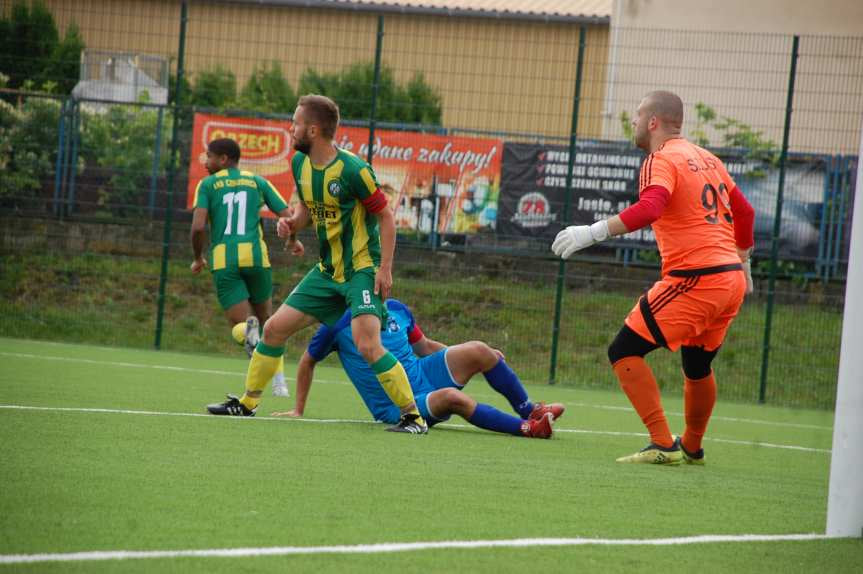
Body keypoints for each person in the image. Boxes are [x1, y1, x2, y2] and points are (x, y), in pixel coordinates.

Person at [551, 90, 755, 465]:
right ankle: (693, 446)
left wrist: (591, 232)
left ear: (653, 122)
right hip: (729, 280)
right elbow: (744, 212)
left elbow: (650, 208)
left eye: (637, 115)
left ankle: (662, 444)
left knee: (623, 351)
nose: (633, 122)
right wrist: (743, 260)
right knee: (697, 365)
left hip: (697, 277)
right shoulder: (708, 158)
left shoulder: (660, 159)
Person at [206, 95, 427, 434]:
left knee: (368, 345)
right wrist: (292, 224)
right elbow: (307, 209)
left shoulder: (354, 170)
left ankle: (413, 417)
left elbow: (386, 217)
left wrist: (384, 270)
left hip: (361, 271)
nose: (290, 129)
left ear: (312, 129)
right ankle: (247, 404)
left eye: (294, 123)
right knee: (273, 329)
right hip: (326, 272)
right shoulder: (300, 164)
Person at [275, 299, 565, 439]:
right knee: (453, 397)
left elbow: (424, 346)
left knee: (478, 348)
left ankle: (530, 410)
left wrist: (483, 356)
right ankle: (528, 429)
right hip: (398, 404)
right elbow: (307, 361)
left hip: (423, 372)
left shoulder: (396, 308)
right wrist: (299, 408)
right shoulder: (337, 323)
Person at [190, 137, 298, 397]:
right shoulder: (258, 181)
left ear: (224, 159)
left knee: (242, 326)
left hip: (225, 261)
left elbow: (197, 227)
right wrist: (293, 241)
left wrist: (198, 257)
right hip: (257, 259)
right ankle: (280, 383)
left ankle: (250, 334)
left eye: (210, 156)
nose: (206, 161)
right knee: (269, 323)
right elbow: (288, 215)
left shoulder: (207, 185)